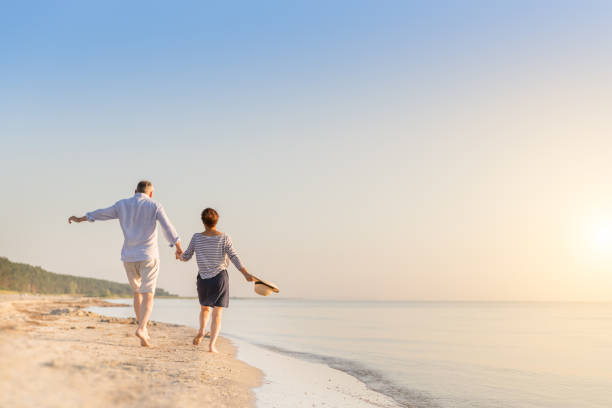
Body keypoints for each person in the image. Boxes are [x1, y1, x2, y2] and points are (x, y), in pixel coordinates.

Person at [68, 180, 182, 347]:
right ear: (151, 194)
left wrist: (81, 219)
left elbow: (101, 213)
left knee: (137, 293)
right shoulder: (154, 205)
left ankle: (142, 328)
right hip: (149, 256)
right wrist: (178, 246)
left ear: (135, 190)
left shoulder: (122, 205)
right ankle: (142, 328)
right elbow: (168, 227)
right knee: (148, 294)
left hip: (129, 257)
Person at [180, 208, 254, 353]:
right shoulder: (224, 237)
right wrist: (245, 273)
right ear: (217, 220)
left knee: (204, 308)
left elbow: (186, 256)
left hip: (203, 279)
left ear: (203, 221)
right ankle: (211, 345)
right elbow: (233, 256)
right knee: (217, 313)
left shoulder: (196, 237)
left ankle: (201, 331)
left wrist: (179, 255)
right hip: (220, 278)